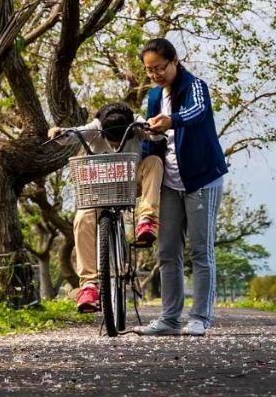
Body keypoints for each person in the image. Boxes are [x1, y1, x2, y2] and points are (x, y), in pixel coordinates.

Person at [135, 38, 229, 337]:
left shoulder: (195, 87)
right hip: (169, 182)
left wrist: (171, 120)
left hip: (202, 179)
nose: (155, 75)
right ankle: (169, 318)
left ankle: (199, 317)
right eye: (149, 70)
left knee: (200, 250)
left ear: (174, 60)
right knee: (167, 251)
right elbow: (153, 141)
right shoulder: (153, 97)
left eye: (160, 68)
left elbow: (198, 113)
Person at [50, 102, 163, 314]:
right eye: (111, 141)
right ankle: (89, 286)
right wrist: (58, 133)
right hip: (99, 190)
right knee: (82, 218)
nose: (114, 146)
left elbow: (155, 136)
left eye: (120, 142)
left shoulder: (136, 124)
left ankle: (147, 219)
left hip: (131, 185)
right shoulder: (95, 127)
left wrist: (155, 128)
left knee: (154, 162)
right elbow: (69, 136)